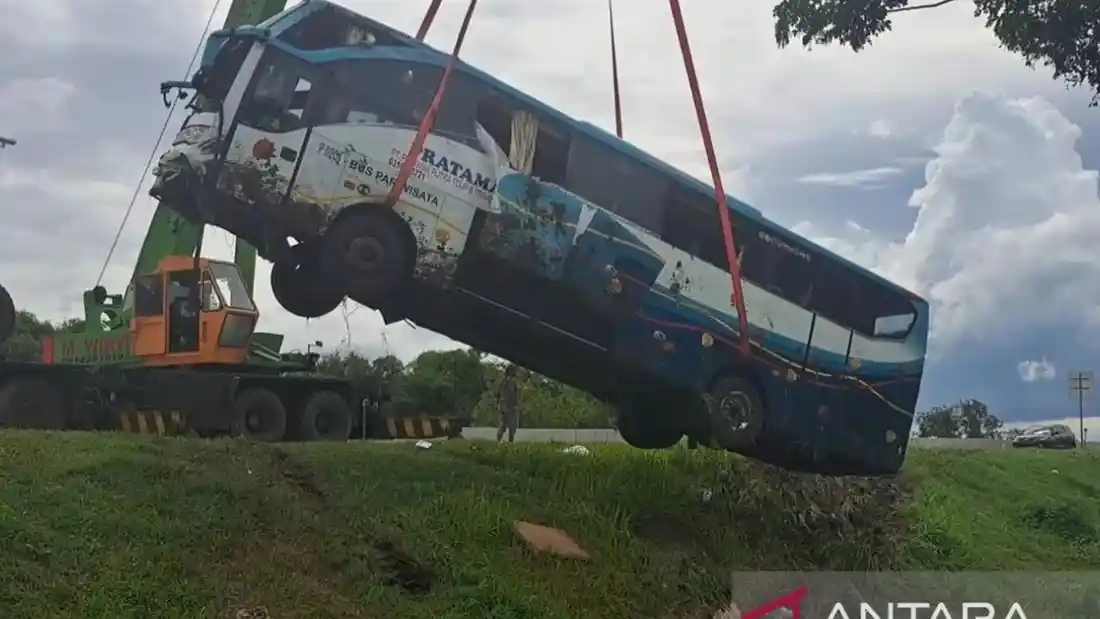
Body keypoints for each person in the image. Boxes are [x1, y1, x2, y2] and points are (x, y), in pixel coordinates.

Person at [496, 364, 521, 443]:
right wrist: (516, 404)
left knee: (503, 424)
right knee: (512, 425)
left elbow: (498, 393)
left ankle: (499, 440)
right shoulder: (512, 381)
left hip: (503, 404)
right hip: (510, 406)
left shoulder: (502, 381)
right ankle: (510, 441)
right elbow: (513, 394)